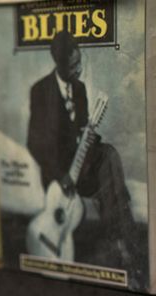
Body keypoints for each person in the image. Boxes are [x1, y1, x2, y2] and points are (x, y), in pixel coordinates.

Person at [26, 30, 133, 265]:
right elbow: (35, 143)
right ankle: (118, 238)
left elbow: (82, 131)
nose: (79, 69)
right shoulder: (40, 91)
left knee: (109, 156)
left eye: (80, 62)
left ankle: (120, 238)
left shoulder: (81, 90)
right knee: (109, 170)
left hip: (80, 165)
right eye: (73, 66)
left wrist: (89, 135)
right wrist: (59, 175)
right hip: (59, 179)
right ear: (59, 63)